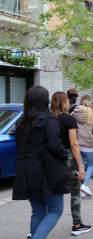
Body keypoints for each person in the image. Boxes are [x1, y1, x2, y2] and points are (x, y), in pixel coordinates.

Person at [13, 86, 70, 239]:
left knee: (38, 211)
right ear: (44, 100)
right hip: (47, 170)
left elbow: (19, 148)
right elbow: (55, 145)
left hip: (26, 169)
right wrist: (65, 154)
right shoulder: (50, 119)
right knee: (56, 210)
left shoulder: (21, 121)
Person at [51, 91, 91, 236]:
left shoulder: (48, 118)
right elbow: (74, 144)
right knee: (75, 190)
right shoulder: (68, 119)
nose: (69, 103)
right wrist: (81, 166)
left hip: (52, 158)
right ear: (63, 103)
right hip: (68, 158)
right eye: (67, 101)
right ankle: (77, 224)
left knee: (51, 191)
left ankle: (40, 224)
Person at [73, 95, 93, 197]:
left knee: (81, 166)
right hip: (89, 144)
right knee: (90, 165)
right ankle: (84, 185)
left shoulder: (74, 114)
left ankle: (81, 189)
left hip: (77, 144)